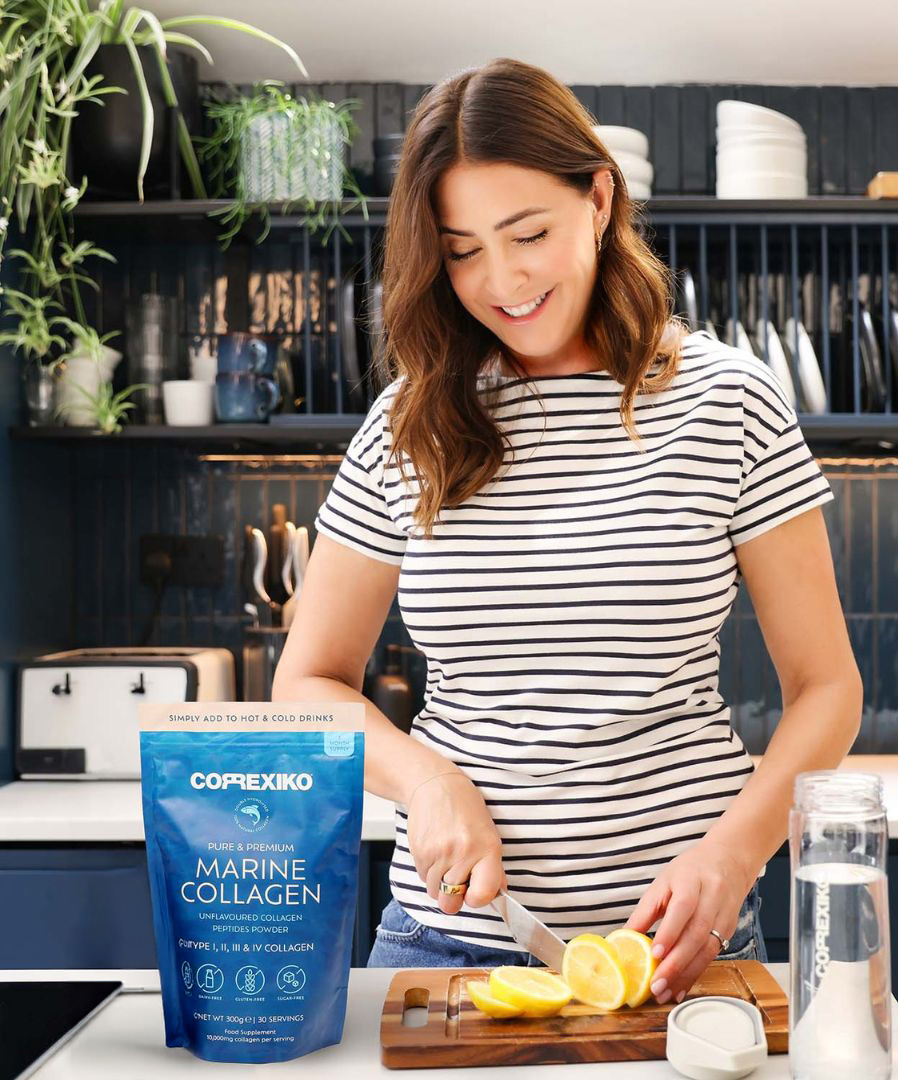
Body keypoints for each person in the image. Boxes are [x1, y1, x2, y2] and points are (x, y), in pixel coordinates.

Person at [272, 57, 862, 1007]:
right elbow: (305, 684)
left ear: (598, 197)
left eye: (528, 233)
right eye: (461, 249)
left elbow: (829, 688)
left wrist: (736, 851)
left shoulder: (730, 402)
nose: (499, 279)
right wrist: (424, 783)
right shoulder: (406, 422)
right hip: (445, 945)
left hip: (679, 947)